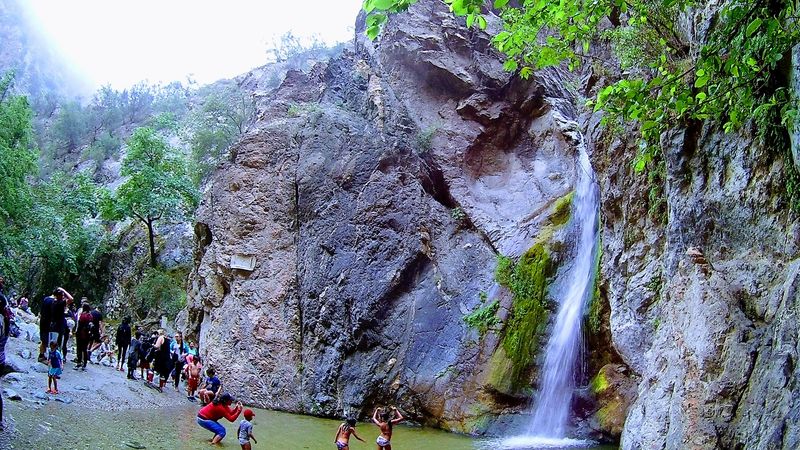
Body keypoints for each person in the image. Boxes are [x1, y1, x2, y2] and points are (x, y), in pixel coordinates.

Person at [74, 303, 93, 370]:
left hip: (80, 333)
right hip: (87, 334)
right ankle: (84, 363)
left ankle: (79, 362)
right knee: (84, 349)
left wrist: (77, 332)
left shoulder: (83, 315)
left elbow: (80, 324)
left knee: (79, 348)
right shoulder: (90, 316)